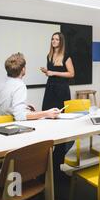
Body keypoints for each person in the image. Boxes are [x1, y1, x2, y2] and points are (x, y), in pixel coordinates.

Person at [40, 32, 75, 186]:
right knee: (46, 122)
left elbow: (71, 74)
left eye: (57, 39)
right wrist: (47, 72)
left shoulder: (66, 56)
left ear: (61, 42)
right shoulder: (49, 55)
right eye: (52, 39)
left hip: (61, 90)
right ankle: (46, 163)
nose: (54, 41)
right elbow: (51, 73)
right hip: (50, 89)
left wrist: (53, 72)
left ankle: (56, 164)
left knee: (61, 126)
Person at [0, 52, 60, 121]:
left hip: (3, 123)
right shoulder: (19, 85)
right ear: (23, 69)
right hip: (15, 126)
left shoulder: (2, 83)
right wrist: (47, 113)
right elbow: (20, 116)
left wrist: (23, 107)